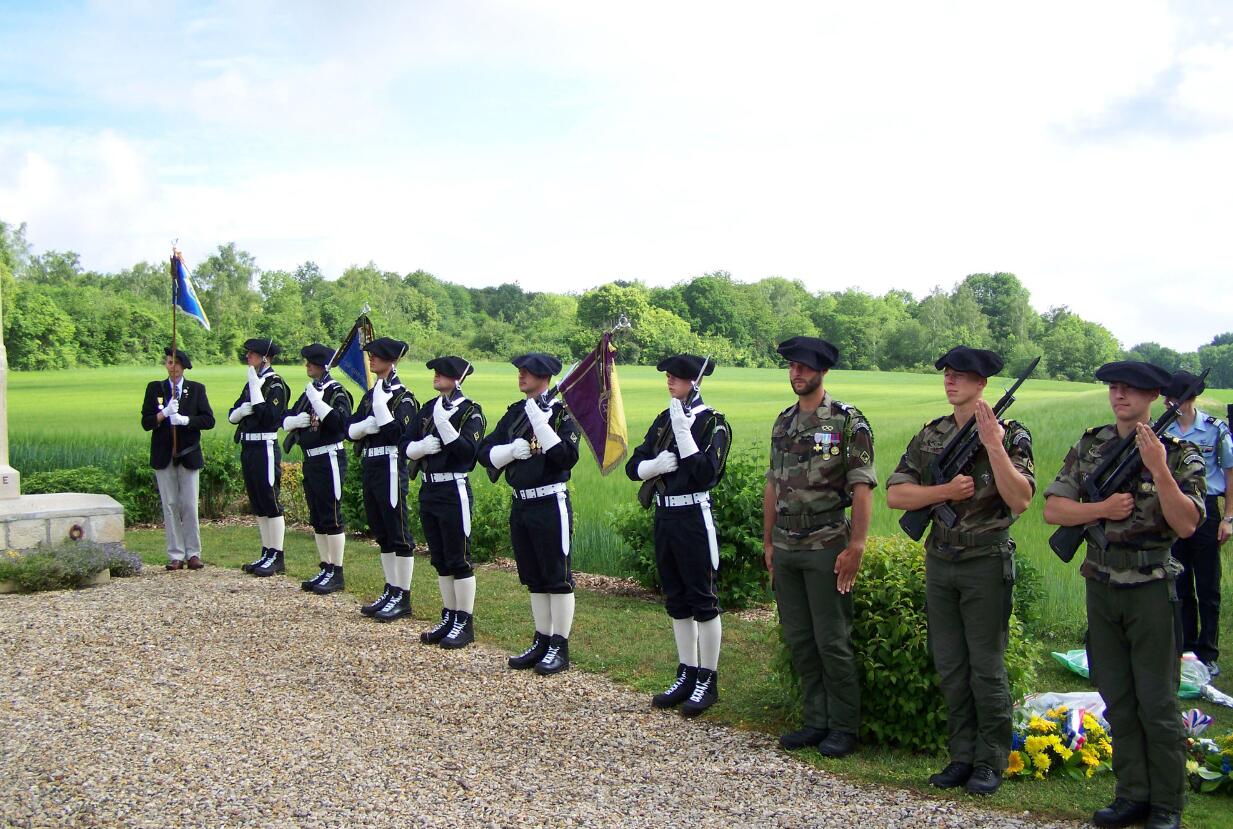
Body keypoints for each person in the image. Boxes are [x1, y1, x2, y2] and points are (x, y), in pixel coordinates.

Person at [1043, 361, 1205, 829]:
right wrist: (1101, 508)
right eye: (1114, 388)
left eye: (1130, 390)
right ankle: (1131, 794)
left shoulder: (1179, 452)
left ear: (1153, 396)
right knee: (1117, 696)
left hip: (1152, 588)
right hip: (1101, 584)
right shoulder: (1091, 445)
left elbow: (1188, 523)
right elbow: (1054, 509)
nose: (1119, 396)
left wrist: (1159, 469)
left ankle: (1167, 804)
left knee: (1157, 701)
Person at [885, 347, 1034, 795]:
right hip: (941, 559)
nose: (951, 382)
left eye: (961, 377)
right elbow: (896, 495)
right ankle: (961, 755)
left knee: (985, 667)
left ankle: (990, 761)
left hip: (985, 562)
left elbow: (1021, 499)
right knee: (951, 664)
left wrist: (993, 445)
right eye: (948, 375)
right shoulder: (933, 435)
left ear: (983, 384)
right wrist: (943, 491)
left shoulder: (1010, 435)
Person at [764, 336, 875, 759]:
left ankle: (844, 727)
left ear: (822, 371)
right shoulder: (783, 423)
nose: (797, 373)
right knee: (800, 637)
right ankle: (815, 720)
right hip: (787, 544)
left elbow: (862, 487)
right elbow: (772, 484)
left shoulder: (848, 422)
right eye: (792, 367)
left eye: (805, 368)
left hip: (827, 543)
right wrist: (768, 541)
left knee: (832, 639)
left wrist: (857, 545)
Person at [625, 354, 730, 716]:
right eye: (669, 376)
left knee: (702, 598)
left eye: (677, 377)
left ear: (694, 382)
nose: (670, 382)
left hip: (693, 516)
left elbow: (705, 474)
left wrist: (685, 437)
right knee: (676, 598)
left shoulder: (713, 423)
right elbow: (632, 466)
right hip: (665, 514)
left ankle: (708, 678)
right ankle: (686, 671)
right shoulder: (664, 418)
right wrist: (652, 466)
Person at [479, 353, 581, 675]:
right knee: (535, 578)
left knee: (557, 578)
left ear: (545, 376)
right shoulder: (515, 414)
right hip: (522, 503)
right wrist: (509, 450)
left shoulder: (563, 415)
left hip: (551, 503)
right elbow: (484, 451)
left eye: (528, 371)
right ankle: (541, 640)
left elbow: (566, 457)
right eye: (520, 371)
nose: (521, 375)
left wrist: (541, 421)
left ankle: (559, 647)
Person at [403, 356, 486, 649]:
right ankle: (450, 614)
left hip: (454, 489)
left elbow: (467, 454)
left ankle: (464, 621)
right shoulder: (428, 408)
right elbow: (405, 442)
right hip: (429, 489)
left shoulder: (471, 412)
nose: (436, 376)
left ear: (458, 378)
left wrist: (444, 427)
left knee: (458, 558)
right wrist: (418, 448)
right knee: (439, 558)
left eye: (443, 372)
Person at [1163, 369, 1232, 678]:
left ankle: (1208, 651)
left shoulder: (1216, 430)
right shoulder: (1163, 430)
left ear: (1188, 398)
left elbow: (1230, 474)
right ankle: (1185, 647)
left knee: (1207, 584)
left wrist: (1229, 518)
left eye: (1175, 398)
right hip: (1175, 510)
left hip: (1207, 510)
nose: (1169, 403)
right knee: (1179, 581)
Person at [347, 337, 419, 622]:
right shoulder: (371, 394)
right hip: (372, 462)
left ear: (391, 360)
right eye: (370, 355)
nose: (371, 360)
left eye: (376, 356)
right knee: (382, 531)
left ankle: (403, 595)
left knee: (397, 529)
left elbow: (397, 435)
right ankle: (391, 588)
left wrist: (380, 415)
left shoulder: (404, 398)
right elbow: (349, 427)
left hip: (390, 462)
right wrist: (366, 426)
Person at [283, 343, 353, 595]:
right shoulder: (310, 391)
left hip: (330, 457)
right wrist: (293, 421)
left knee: (331, 515)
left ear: (322, 366)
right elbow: (288, 415)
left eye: (311, 363)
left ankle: (337, 570)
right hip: (311, 459)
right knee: (318, 516)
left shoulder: (336, 392)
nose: (307, 366)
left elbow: (338, 424)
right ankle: (325, 565)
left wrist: (317, 401)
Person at [140, 347, 215, 571]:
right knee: (170, 504)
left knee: (189, 505)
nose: (171, 367)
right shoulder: (156, 388)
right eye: (168, 362)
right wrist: (163, 415)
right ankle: (175, 554)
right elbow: (146, 422)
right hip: (164, 454)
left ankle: (193, 552)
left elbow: (208, 420)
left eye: (174, 363)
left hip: (188, 454)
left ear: (183, 366)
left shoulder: (196, 389)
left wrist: (185, 420)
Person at [228, 338, 289, 578]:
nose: (248, 358)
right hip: (249, 445)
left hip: (265, 444)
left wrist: (254, 392)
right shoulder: (253, 382)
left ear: (265, 357)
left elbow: (268, 416)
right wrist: (242, 410)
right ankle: (267, 551)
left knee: (270, 500)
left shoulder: (275, 384)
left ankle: (277, 554)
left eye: (252, 354)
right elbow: (233, 413)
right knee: (258, 502)